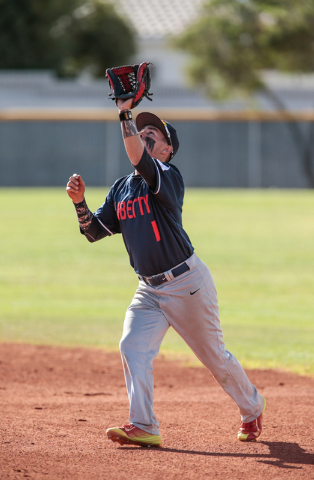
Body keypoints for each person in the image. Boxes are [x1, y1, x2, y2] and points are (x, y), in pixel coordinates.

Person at [66, 97, 265, 447]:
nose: (144, 135)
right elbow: (94, 232)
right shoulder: (122, 188)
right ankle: (143, 424)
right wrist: (80, 203)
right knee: (131, 346)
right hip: (148, 290)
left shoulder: (168, 177)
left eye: (152, 133)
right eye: (140, 130)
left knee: (214, 358)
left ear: (168, 149)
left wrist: (124, 113)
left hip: (187, 283)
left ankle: (252, 407)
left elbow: (136, 157)